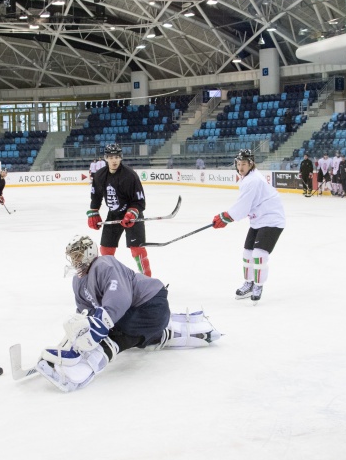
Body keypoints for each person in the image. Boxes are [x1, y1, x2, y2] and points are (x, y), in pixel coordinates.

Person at [34, 235, 221, 392]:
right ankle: (159, 335)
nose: (74, 260)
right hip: (139, 315)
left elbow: (120, 298)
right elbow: (85, 312)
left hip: (152, 305)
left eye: (77, 255)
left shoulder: (104, 264)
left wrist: (97, 329)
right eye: (72, 256)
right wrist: (77, 335)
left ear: (89, 253)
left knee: (113, 333)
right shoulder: (78, 281)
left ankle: (85, 366)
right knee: (108, 328)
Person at [210, 149, 286, 303]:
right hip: (259, 219)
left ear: (251, 164)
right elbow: (247, 206)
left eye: (243, 164)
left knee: (259, 254)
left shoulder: (253, 180)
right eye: (238, 164)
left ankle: (258, 285)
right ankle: (249, 283)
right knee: (247, 253)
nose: (240, 167)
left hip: (272, 219)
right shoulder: (249, 178)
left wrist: (225, 217)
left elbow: (243, 207)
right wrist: (227, 217)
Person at [88, 143, 152, 277]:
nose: (114, 160)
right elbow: (96, 195)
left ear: (121, 157)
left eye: (117, 157)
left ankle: (147, 280)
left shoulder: (130, 176)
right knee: (106, 249)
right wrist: (94, 211)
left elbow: (140, 201)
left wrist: (132, 213)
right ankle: (112, 279)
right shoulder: (100, 175)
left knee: (137, 249)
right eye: (111, 157)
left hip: (133, 216)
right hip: (114, 214)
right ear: (106, 158)